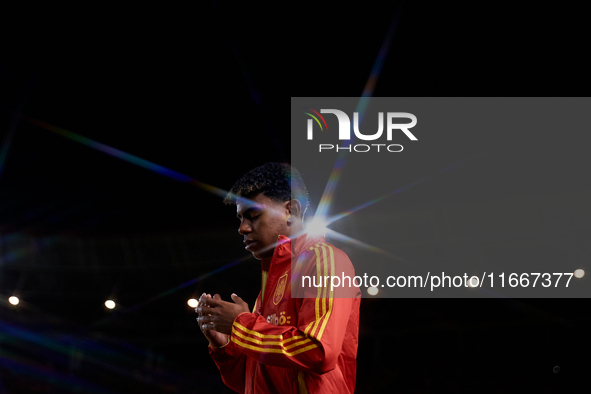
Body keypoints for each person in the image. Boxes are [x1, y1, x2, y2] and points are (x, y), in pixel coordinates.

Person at [196, 162, 360, 394]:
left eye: (252, 216)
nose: (242, 228)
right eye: (240, 218)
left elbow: (320, 351)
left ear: (290, 211)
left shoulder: (325, 260)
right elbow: (251, 381)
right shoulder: (269, 286)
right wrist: (225, 344)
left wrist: (241, 325)